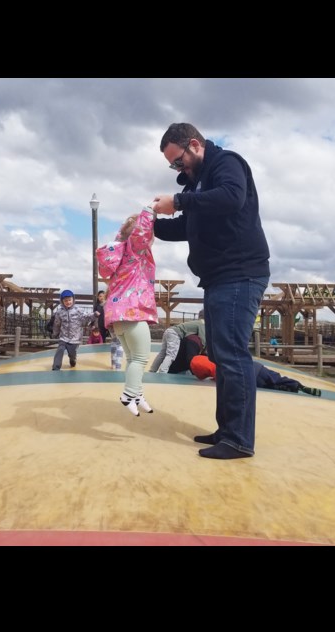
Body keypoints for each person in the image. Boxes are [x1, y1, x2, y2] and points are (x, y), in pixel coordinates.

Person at [152, 122, 270, 460]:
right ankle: (227, 430)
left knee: (232, 355)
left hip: (240, 273)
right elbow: (187, 227)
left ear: (194, 145)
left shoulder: (226, 163)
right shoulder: (199, 184)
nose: (178, 169)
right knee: (221, 356)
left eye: (179, 161)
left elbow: (231, 198)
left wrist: (177, 200)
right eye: (173, 166)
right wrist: (150, 226)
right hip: (219, 278)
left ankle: (238, 439)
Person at [97, 205, 158, 416]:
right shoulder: (135, 251)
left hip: (119, 316)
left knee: (132, 358)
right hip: (132, 311)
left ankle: (137, 393)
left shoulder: (121, 253)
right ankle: (128, 394)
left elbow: (129, 234)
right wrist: (151, 210)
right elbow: (140, 233)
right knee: (141, 358)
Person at [189, 355, 322, 396]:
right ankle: (297, 385)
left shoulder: (217, 372)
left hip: (248, 376)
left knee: (269, 385)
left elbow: (208, 377)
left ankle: (286, 387)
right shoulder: (217, 359)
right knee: (276, 378)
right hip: (254, 366)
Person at [51, 290, 97, 371]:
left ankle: (73, 360)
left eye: (69, 300)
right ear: (62, 301)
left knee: (72, 354)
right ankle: (56, 368)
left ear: (73, 299)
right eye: (65, 301)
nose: (68, 302)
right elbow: (57, 323)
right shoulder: (59, 312)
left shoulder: (78, 310)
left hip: (75, 338)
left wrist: (95, 315)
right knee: (60, 349)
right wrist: (55, 333)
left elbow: (86, 316)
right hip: (63, 337)